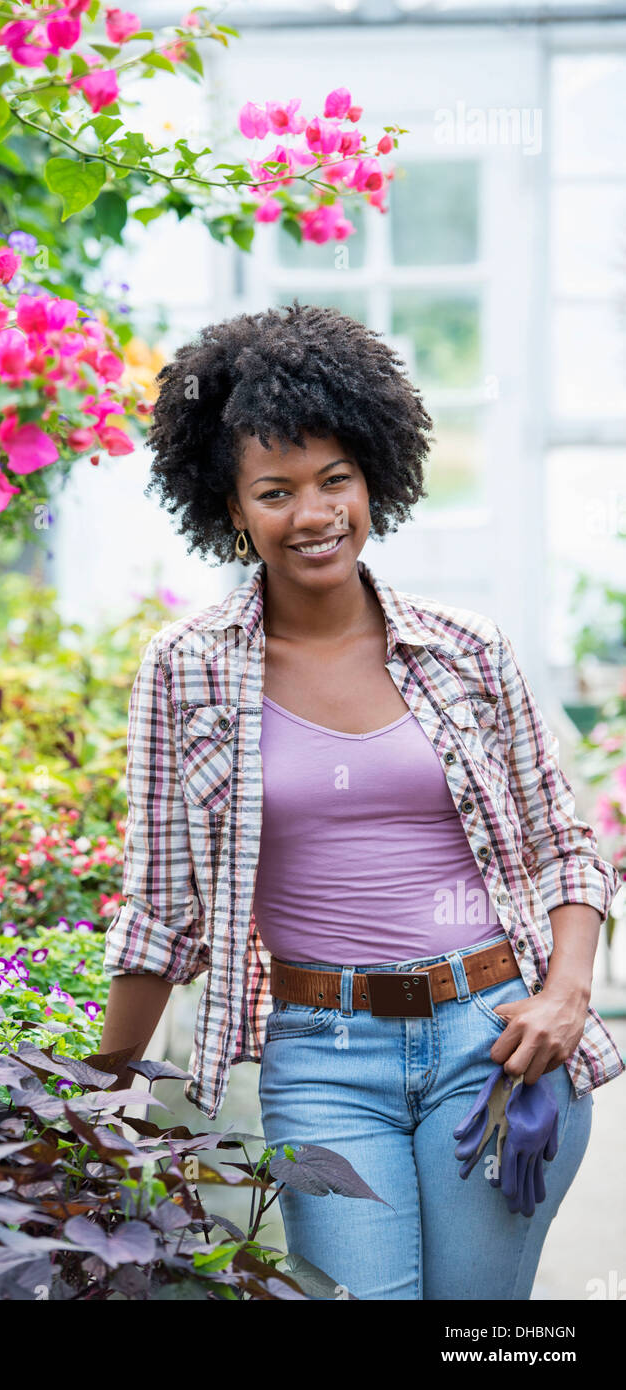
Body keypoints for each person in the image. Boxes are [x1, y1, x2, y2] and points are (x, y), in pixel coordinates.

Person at [98, 300, 623, 1300]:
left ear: (376, 474)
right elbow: (162, 910)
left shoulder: (468, 650)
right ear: (229, 507)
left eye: (336, 477)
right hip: (322, 1061)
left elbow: (565, 845)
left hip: (494, 1043)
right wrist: (95, 1086)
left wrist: (564, 995)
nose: (314, 512)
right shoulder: (185, 671)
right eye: (276, 489)